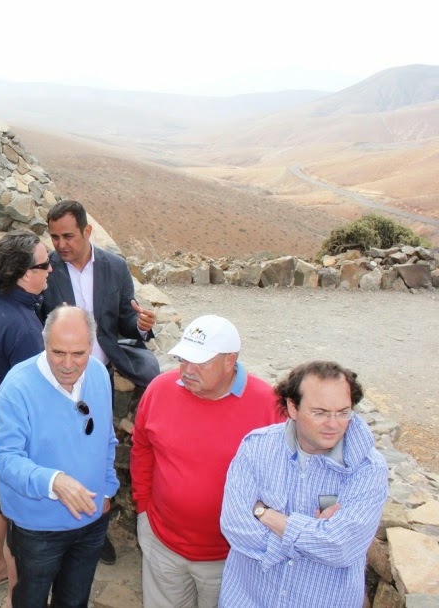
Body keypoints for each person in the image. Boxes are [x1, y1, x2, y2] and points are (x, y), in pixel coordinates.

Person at [130, 314, 282, 607]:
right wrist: (143, 507)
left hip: (231, 557)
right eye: (184, 359)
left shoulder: (268, 405)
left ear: (229, 361)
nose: (187, 370)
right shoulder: (160, 389)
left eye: (200, 362)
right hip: (162, 544)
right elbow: (142, 448)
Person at [42, 199, 160, 565]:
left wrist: (141, 325)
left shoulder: (114, 267)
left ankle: (95, 528)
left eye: (68, 236)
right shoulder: (47, 268)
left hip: (100, 376)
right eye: (54, 237)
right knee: (59, 450)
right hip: (57, 379)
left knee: (96, 453)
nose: (60, 244)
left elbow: (125, 319)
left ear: (87, 231)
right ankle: (57, 527)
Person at [219, 361, 388, 607]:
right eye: (319, 412)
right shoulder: (256, 448)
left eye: (343, 412)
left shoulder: (368, 469)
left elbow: (341, 548)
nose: (333, 424)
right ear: (293, 407)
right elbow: (235, 526)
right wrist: (316, 536)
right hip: (249, 599)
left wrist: (266, 514)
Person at [0, 306, 118, 608]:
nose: (68, 364)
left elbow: (107, 437)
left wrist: (107, 490)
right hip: (38, 528)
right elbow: (6, 459)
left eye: (79, 354)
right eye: (58, 352)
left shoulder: (99, 373)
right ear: (44, 342)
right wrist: (54, 481)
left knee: (74, 601)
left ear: (92, 346)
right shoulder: (17, 386)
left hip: (91, 519)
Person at [0, 230, 51, 590]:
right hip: (18, 437)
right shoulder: (23, 327)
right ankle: (18, 590)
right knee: (19, 514)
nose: (51, 270)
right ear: (24, 273)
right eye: (45, 264)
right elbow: (39, 396)